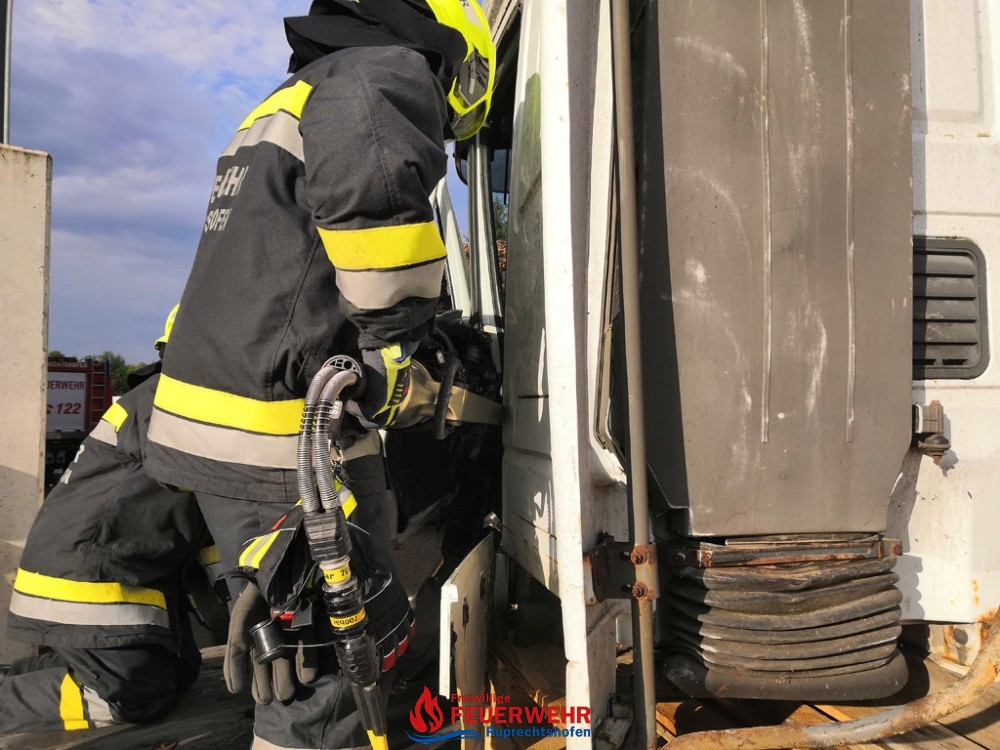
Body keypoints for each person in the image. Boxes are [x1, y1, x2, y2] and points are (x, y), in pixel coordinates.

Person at [144, 2, 495, 748]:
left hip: (233, 438)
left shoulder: (295, 95)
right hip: (286, 446)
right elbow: (376, 219)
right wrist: (398, 350)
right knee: (334, 675)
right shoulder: (383, 76)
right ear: (461, 62)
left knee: (298, 656)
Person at [1, 307, 210, 733]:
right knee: (134, 695)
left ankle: (12, 678)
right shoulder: (174, 402)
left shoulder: (163, 399)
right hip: (91, 576)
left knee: (180, 672)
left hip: (111, 567)